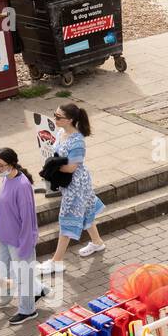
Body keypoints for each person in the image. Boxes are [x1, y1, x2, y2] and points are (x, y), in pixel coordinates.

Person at [37, 103, 106, 273]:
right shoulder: (61, 133)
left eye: (59, 117)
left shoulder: (77, 142)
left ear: (70, 120)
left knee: (67, 219)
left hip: (76, 185)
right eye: (55, 114)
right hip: (72, 184)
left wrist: (51, 167)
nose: (55, 118)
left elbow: (71, 168)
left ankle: (56, 261)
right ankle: (97, 243)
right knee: (86, 211)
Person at [0, 149, 48, 325]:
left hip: (20, 240)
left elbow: (28, 219)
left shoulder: (22, 185)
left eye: (0, 165)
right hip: (5, 237)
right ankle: (39, 289)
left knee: (23, 275)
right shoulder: (7, 179)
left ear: (11, 164)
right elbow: (1, 210)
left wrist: (25, 246)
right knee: (5, 269)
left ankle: (28, 310)